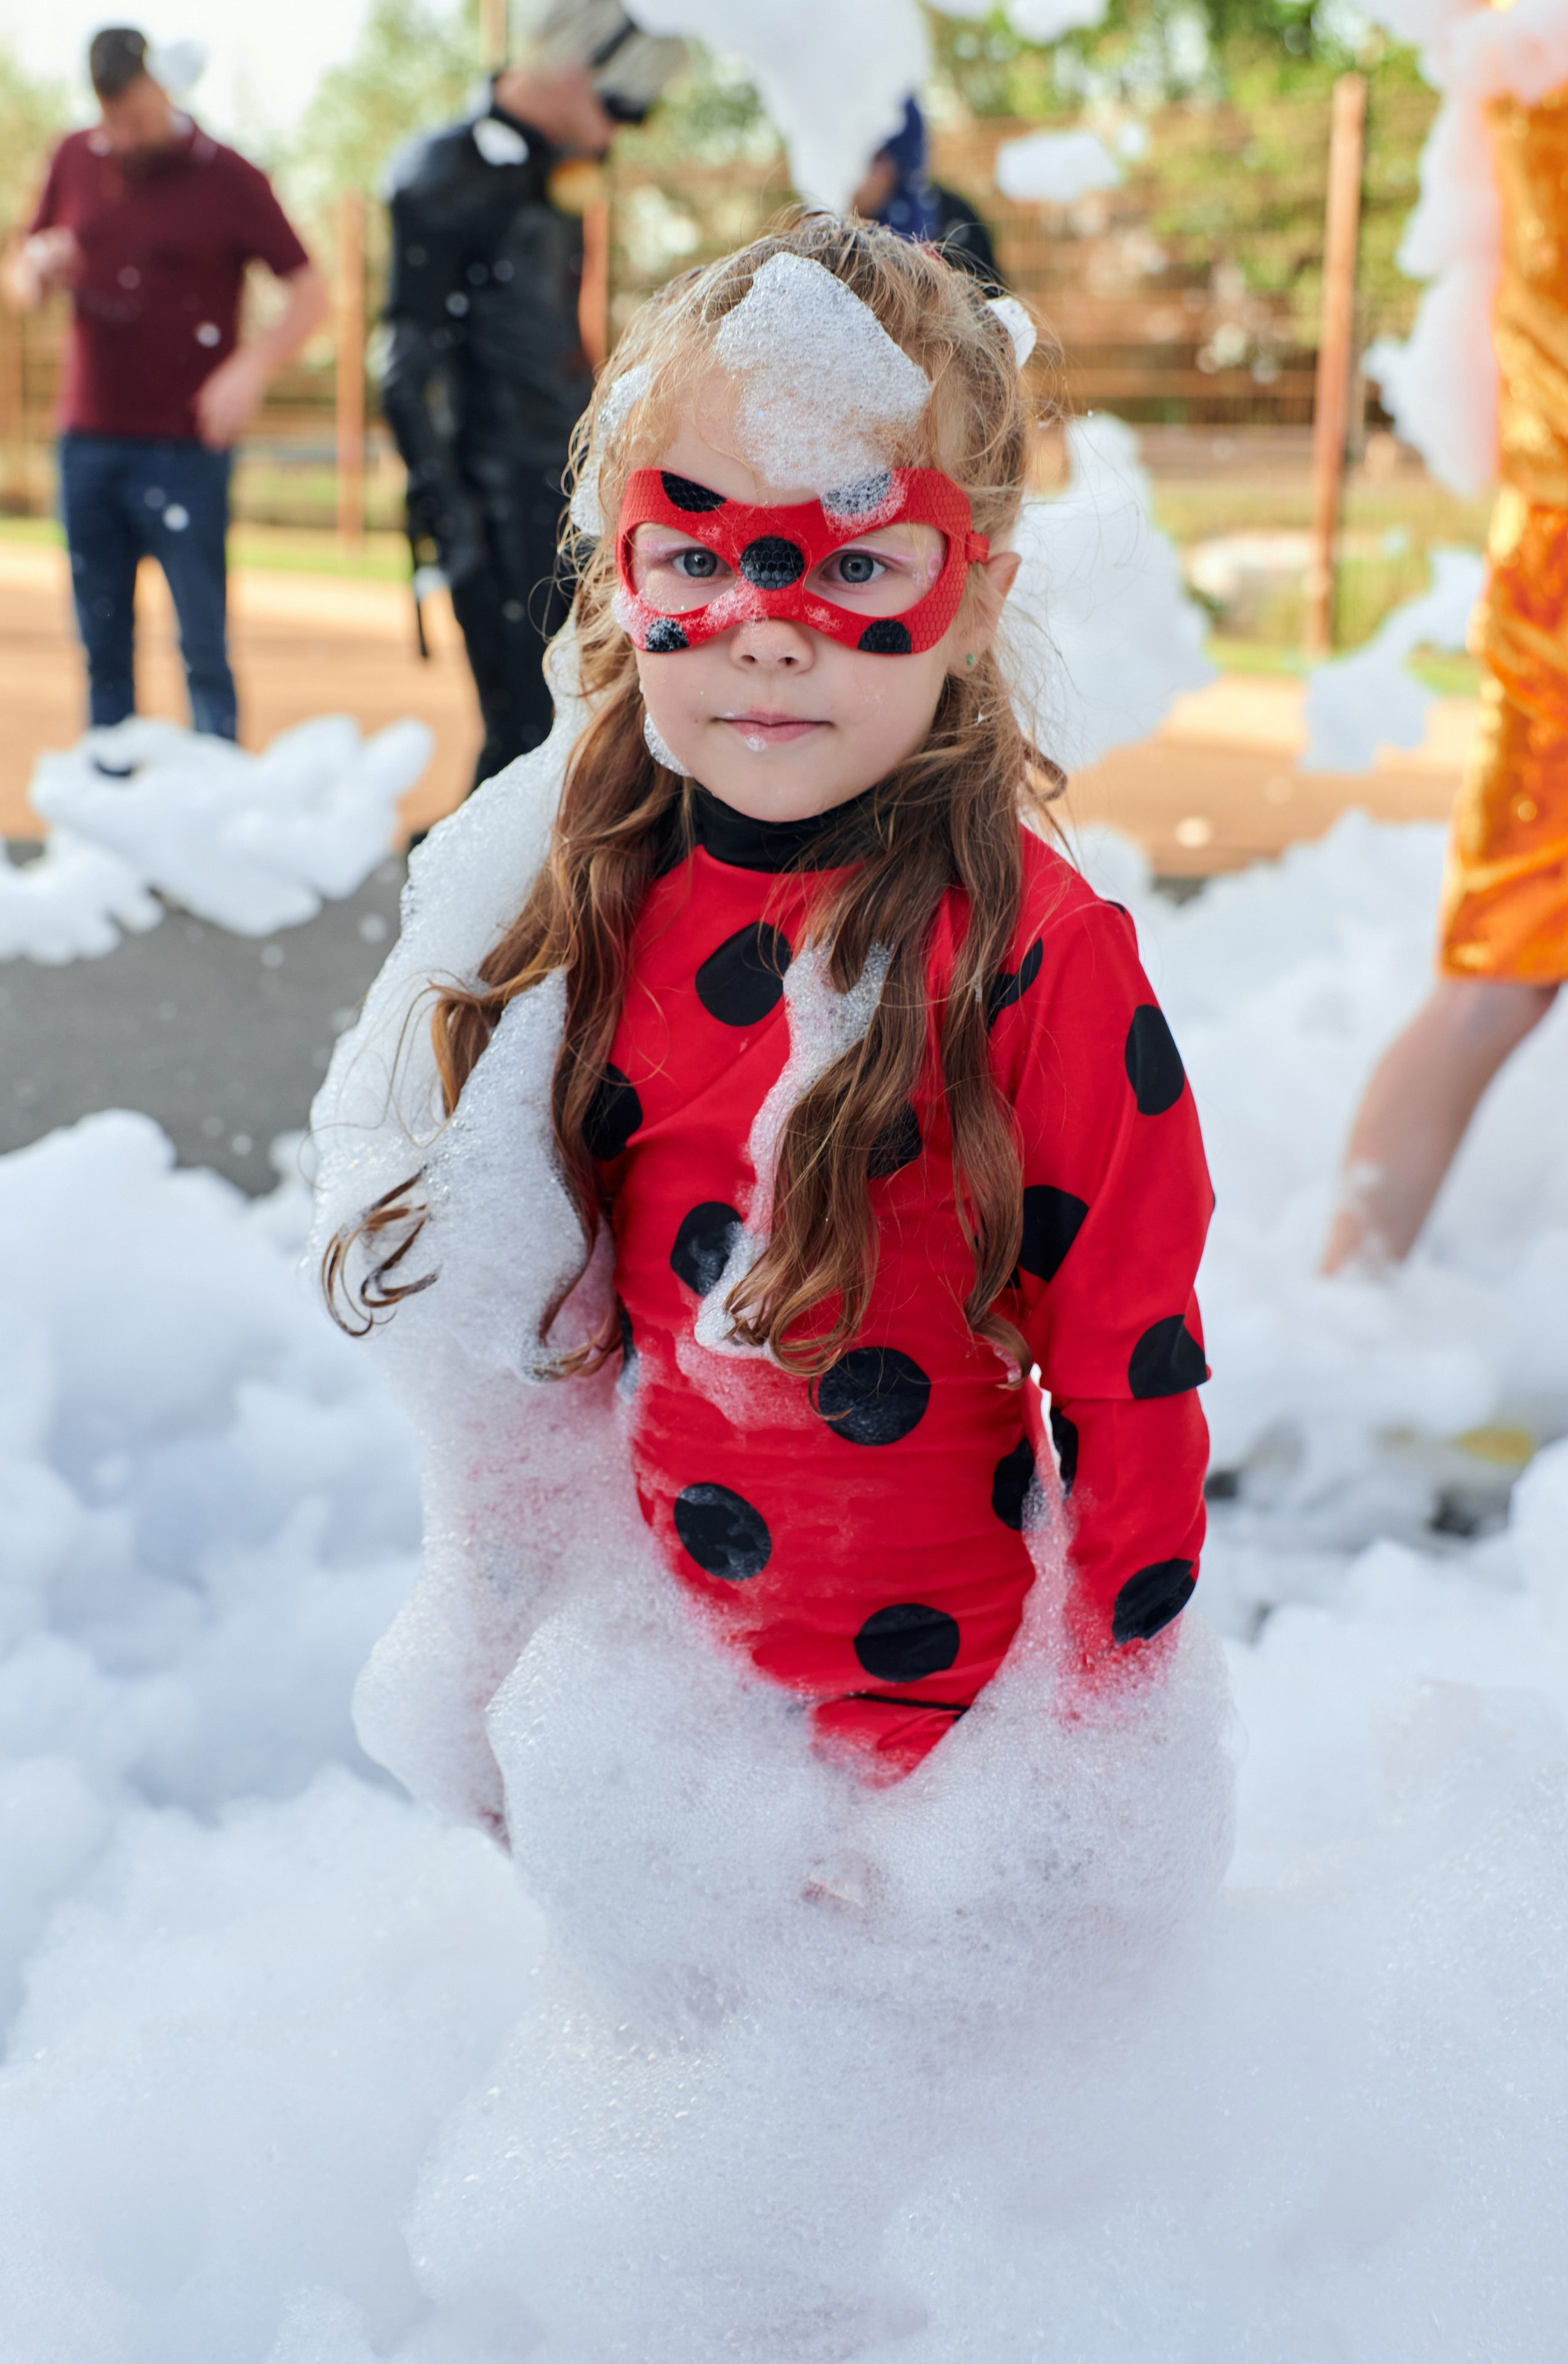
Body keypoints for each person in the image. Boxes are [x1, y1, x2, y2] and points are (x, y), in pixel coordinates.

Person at [322, 215, 1212, 1793]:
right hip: (653, 1724)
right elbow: (540, 1377)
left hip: (942, 1756)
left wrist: (1094, 1756)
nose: (772, 625)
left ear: (974, 594)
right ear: (624, 571)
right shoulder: (590, 891)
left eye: (858, 560)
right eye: (699, 553)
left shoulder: (1035, 954)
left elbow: (1129, 1378)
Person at [1322, 71, 1568, 1273]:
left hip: (1552, 569)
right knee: (1493, 977)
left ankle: (1339, 1300)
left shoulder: (1526, 67)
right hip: (1559, 583)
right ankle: (1337, 1306)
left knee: (1494, 974)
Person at [381, 2, 684, 792]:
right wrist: (446, 504)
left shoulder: (553, 178)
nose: (615, 135)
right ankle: (478, 893)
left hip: (565, 485)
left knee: (587, 712)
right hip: (489, 493)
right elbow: (406, 363)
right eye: (619, 108)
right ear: (575, 68)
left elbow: (556, 343)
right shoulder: (440, 175)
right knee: (525, 722)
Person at [7, 26, 328, 741]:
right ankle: (112, 792)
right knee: (101, 645)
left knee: (202, 645)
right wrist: (35, 268)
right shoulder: (72, 156)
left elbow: (311, 292)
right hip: (88, 442)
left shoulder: (230, 177)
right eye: (111, 119)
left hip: (186, 448)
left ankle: (212, 805)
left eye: (138, 116)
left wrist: (251, 367)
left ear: (164, 87)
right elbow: (19, 276)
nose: (124, 134)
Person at [851, 96, 1004, 292]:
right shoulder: (827, 231)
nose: (853, 180)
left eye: (869, 161)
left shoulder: (957, 226)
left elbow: (993, 306)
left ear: (893, 165)